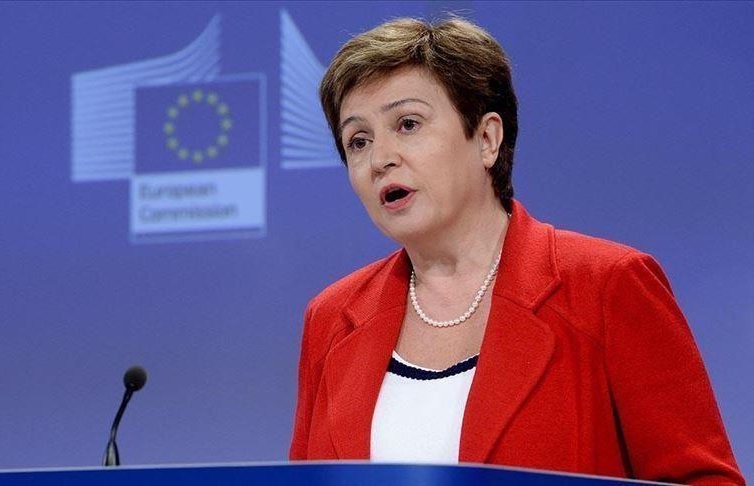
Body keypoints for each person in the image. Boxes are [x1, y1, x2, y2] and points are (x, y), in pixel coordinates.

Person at [288, 16, 744, 484]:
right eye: (358, 141)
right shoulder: (330, 318)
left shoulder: (608, 285)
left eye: (408, 124)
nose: (380, 159)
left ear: (487, 138)